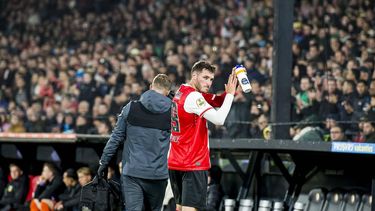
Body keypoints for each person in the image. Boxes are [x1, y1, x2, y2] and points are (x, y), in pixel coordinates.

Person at [168, 60, 237, 211]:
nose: (209, 83)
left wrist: (230, 91)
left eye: (211, 79)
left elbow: (217, 100)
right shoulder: (194, 98)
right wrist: (231, 95)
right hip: (192, 163)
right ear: (194, 75)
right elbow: (219, 119)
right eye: (205, 78)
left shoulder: (182, 91)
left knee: (179, 208)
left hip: (175, 161)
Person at [97, 74, 172, 211]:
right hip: (158, 175)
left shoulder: (131, 107)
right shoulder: (173, 111)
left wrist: (104, 162)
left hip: (133, 173)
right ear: (167, 92)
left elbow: (116, 137)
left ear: (150, 87)